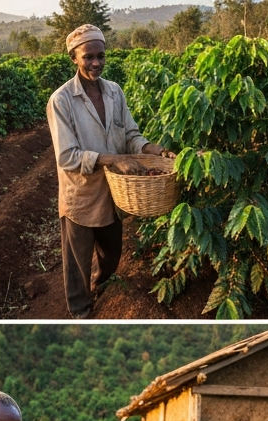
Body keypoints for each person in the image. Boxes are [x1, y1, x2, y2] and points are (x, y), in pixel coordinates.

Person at [46, 24, 176, 319]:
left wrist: (151, 148)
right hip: (80, 194)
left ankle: (103, 289)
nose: (95, 63)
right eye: (88, 57)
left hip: (114, 192)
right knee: (77, 261)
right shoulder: (61, 100)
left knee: (111, 254)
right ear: (73, 59)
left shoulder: (114, 92)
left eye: (100, 56)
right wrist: (110, 159)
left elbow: (130, 134)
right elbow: (67, 156)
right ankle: (81, 311)